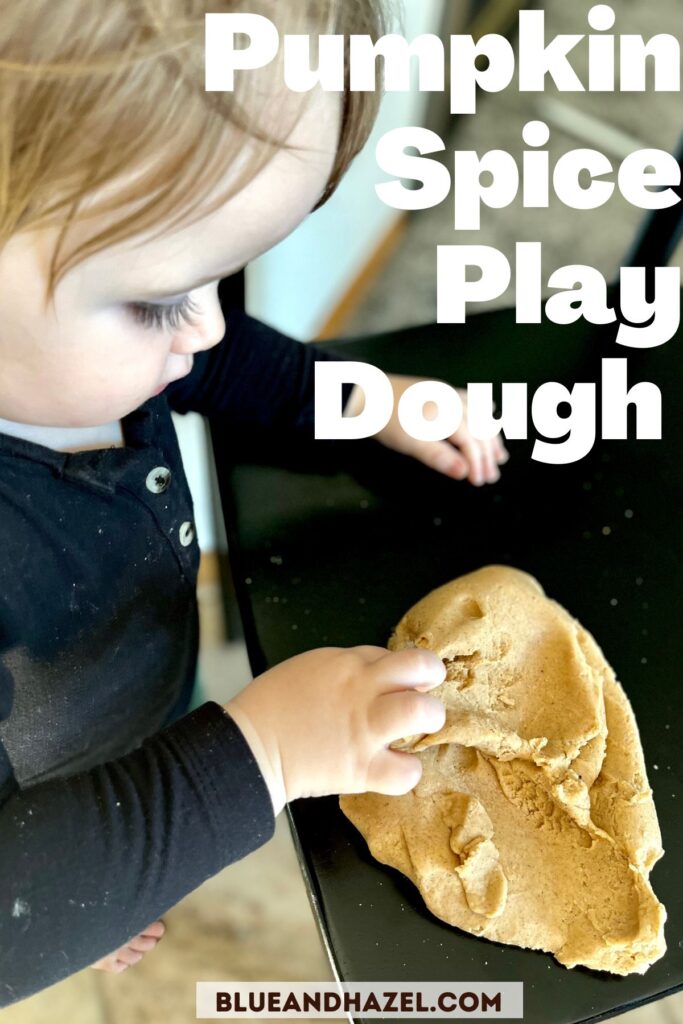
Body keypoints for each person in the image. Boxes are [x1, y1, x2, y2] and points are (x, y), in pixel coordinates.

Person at [0, 0, 507, 1002]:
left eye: (217, 276)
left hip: (122, 725)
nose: (203, 326)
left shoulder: (89, 348)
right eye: (153, 299)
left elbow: (214, 363)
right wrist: (72, 885)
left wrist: (351, 399)